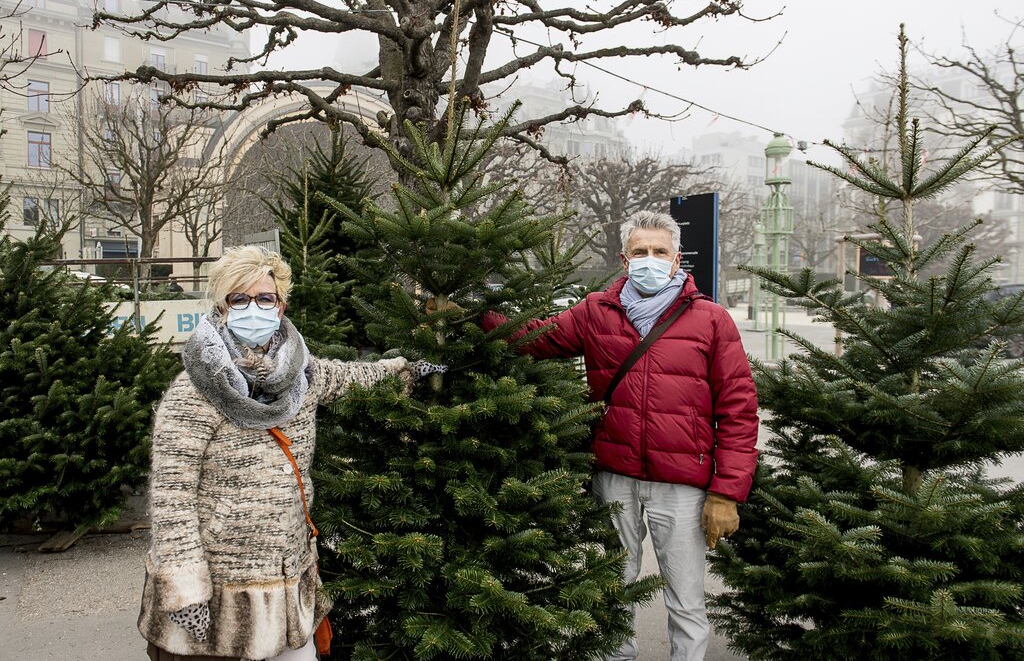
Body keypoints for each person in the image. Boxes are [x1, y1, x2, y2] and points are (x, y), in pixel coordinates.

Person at [483, 210, 759, 660]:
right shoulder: (596, 311)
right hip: (615, 478)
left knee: (685, 599)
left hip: (682, 486)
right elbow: (535, 337)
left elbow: (739, 410)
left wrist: (726, 492)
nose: (649, 260)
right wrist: (473, 316)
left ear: (676, 260)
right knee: (612, 589)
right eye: (640, 252)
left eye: (659, 252)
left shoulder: (711, 320)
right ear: (624, 259)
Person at [139, 245, 416, 661]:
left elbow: (355, 375)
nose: (254, 308)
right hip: (220, 597)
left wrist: (404, 368)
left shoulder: (303, 375)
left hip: (289, 580)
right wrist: (186, 590)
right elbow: (171, 497)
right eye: (240, 298)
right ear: (222, 306)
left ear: (281, 305)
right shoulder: (194, 390)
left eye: (264, 298)